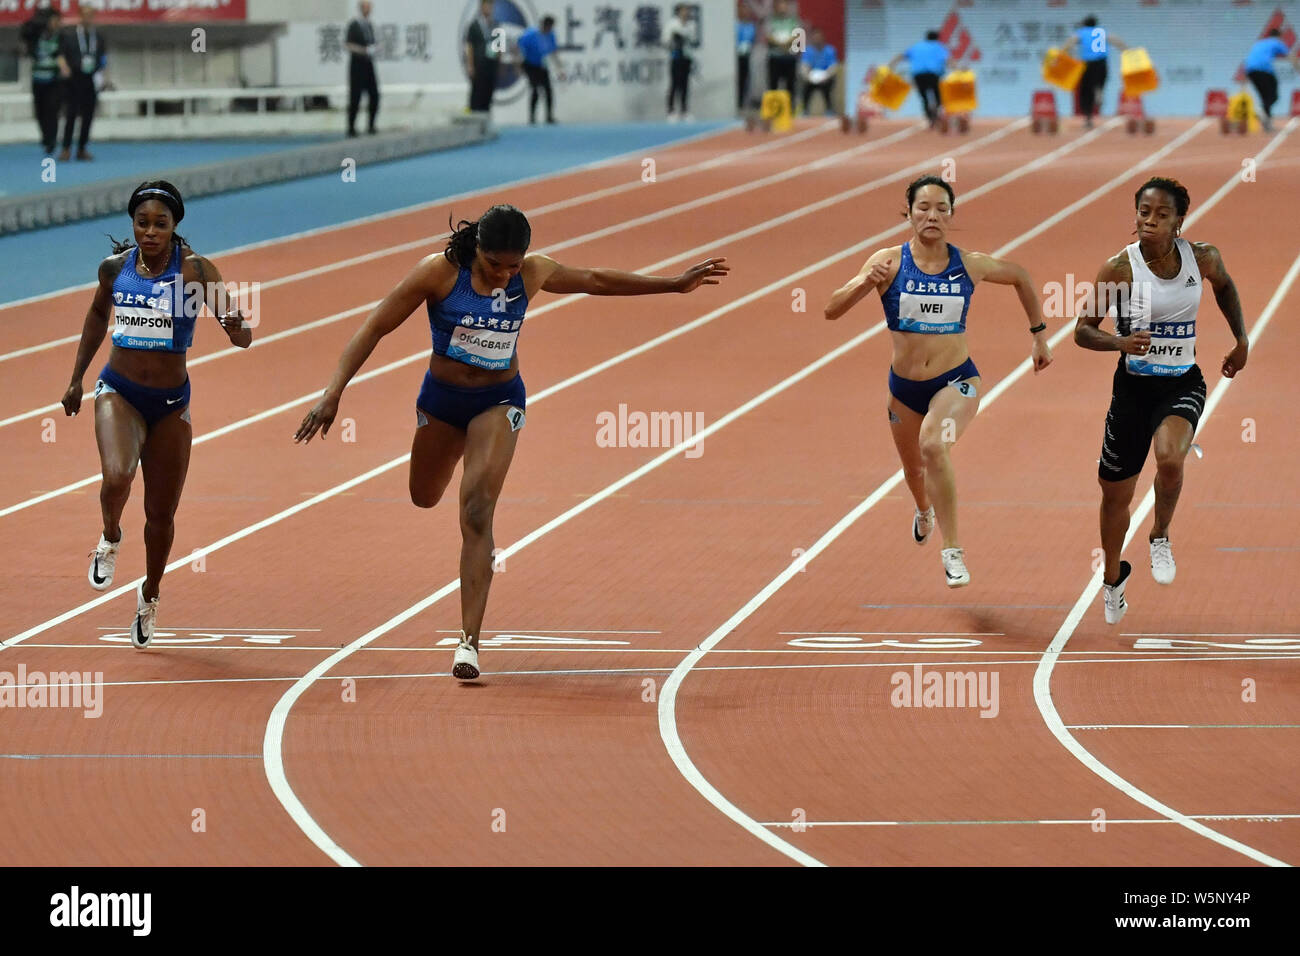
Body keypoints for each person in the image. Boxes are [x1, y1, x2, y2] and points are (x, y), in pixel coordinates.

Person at [294, 205, 728, 680]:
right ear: (476, 250)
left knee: (477, 509)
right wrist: (332, 393)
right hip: (441, 401)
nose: (504, 275)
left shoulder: (534, 272)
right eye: (494, 265)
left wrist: (672, 283)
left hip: (499, 399)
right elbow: (374, 326)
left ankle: (468, 643)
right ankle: (458, 453)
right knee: (424, 496)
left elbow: (597, 280)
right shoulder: (438, 274)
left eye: (512, 266)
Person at [824, 176, 1052, 587]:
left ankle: (953, 551)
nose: (932, 215)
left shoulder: (969, 264)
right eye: (923, 207)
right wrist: (864, 282)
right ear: (908, 213)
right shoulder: (888, 262)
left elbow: (1019, 275)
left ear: (952, 214)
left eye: (941, 208)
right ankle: (923, 510)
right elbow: (831, 310)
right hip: (904, 390)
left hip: (957, 380)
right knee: (914, 471)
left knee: (933, 444)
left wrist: (1039, 334)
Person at [60, 182, 253, 647]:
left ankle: (150, 595)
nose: (150, 232)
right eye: (142, 223)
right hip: (119, 391)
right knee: (117, 476)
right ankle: (109, 538)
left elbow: (243, 337)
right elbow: (94, 319)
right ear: (133, 224)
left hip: (170, 405)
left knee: (161, 515)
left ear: (175, 226)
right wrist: (76, 380)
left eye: (159, 224)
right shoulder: (114, 270)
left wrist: (234, 324)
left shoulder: (196, 272)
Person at [1073, 177, 1247, 624]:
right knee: (1115, 495)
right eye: (1144, 212)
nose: (1150, 221)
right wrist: (1119, 343)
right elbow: (1082, 330)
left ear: (1179, 220)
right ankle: (1113, 579)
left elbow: (1224, 287)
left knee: (1170, 459)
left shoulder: (1202, 257)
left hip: (1182, 383)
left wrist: (1241, 338)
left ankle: (1160, 536)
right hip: (1132, 391)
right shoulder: (1120, 269)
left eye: (1161, 215)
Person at [56, 3, 107, 161]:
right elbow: (60, 55)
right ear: (80, 16)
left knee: (88, 115)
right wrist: (64, 67)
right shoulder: (70, 35)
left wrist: (104, 77)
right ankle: (66, 148)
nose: (88, 18)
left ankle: (82, 149)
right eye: (85, 14)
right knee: (71, 114)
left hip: (90, 79)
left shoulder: (98, 37)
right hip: (73, 80)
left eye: (90, 15)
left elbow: (103, 59)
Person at [1062, 15, 1127, 130]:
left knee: (1085, 91)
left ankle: (1088, 117)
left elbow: (1070, 43)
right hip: (1101, 63)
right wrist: (1127, 51)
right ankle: (1099, 92)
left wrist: (1065, 54)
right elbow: (1116, 41)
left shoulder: (1082, 32)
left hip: (1086, 65)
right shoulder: (1102, 33)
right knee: (1100, 83)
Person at [1244, 28, 1300, 132]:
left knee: (1265, 98)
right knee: (1273, 96)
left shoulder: (1260, 43)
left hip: (1251, 70)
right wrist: (1298, 69)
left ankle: (1267, 124)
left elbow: (1250, 59)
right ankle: (1263, 112)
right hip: (1263, 70)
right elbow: (1291, 56)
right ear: (1279, 36)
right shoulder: (1277, 42)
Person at [889, 30, 948, 128]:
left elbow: (901, 56)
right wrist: (957, 69)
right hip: (933, 75)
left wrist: (890, 65)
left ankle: (930, 117)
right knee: (938, 96)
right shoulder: (938, 47)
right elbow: (947, 60)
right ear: (937, 38)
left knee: (924, 97)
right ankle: (935, 110)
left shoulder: (917, 46)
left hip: (918, 75)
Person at [27, 8, 63, 156]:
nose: (56, 24)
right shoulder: (37, 36)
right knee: (40, 111)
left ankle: (52, 140)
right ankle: (45, 136)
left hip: (53, 80)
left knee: (52, 110)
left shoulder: (61, 37)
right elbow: (25, 32)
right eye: (54, 21)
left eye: (58, 21)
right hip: (38, 79)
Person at [517, 15, 564, 124]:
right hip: (529, 65)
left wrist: (560, 69)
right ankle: (532, 117)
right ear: (543, 25)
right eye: (547, 27)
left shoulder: (551, 35)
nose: (548, 30)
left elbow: (553, 53)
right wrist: (518, 65)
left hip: (541, 65)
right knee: (535, 89)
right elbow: (517, 47)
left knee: (548, 90)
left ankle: (549, 116)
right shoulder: (530, 34)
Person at [345, 0, 379, 137]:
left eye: (369, 7)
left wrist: (374, 49)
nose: (368, 10)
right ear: (361, 8)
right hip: (357, 64)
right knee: (355, 97)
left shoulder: (370, 25)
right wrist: (363, 50)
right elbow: (348, 44)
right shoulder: (354, 25)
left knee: (374, 95)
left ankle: (371, 125)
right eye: (366, 7)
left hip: (368, 64)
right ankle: (351, 127)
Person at [465, 0, 499, 114]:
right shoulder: (474, 25)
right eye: (487, 5)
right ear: (481, 7)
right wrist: (470, 65)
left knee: (488, 93)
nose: (489, 8)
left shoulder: (496, 25)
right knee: (477, 93)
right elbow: (470, 46)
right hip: (478, 64)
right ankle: (474, 119)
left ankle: (486, 119)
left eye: (491, 6)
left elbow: (500, 46)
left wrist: (499, 62)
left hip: (492, 64)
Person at [800, 26, 839, 117]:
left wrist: (826, 76)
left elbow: (833, 67)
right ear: (812, 38)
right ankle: (805, 110)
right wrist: (808, 77)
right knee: (805, 87)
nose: (817, 39)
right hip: (811, 78)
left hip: (825, 78)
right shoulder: (808, 50)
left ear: (822, 38)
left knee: (828, 87)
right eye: (815, 37)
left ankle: (829, 110)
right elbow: (804, 66)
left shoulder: (830, 50)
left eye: (819, 37)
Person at [765, 0, 800, 99]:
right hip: (775, 56)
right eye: (780, 5)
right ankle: (774, 109)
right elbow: (768, 36)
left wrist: (786, 43)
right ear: (776, 7)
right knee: (773, 84)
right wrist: (780, 43)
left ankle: (790, 108)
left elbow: (797, 35)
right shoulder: (770, 20)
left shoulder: (793, 20)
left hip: (789, 57)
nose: (782, 7)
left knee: (791, 85)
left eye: (784, 5)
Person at [666, 4, 694, 121]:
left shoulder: (690, 25)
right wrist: (675, 40)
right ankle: (671, 110)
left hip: (686, 57)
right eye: (683, 11)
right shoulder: (672, 25)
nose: (685, 13)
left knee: (685, 85)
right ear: (678, 12)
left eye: (687, 11)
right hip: (676, 57)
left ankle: (684, 110)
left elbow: (692, 40)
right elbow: (666, 40)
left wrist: (685, 39)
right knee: (674, 84)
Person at [736, 3, 756, 111]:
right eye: (743, 10)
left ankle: (743, 103)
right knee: (737, 80)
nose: (745, 13)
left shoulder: (751, 26)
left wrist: (747, 46)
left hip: (746, 56)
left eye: (747, 11)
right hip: (735, 57)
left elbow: (752, 40)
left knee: (745, 80)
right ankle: (737, 102)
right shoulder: (735, 25)